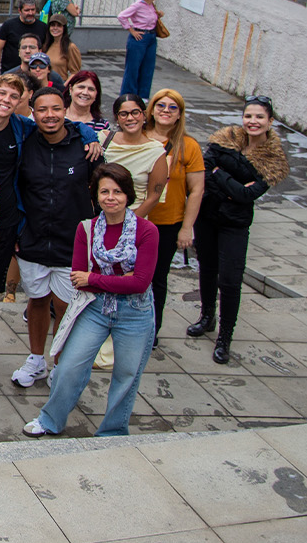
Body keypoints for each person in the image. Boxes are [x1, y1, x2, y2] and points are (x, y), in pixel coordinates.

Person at [23, 163, 159, 438]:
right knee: (69, 366)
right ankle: (50, 420)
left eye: (118, 192)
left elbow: (140, 283)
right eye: (104, 192)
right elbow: (77, 277)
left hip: (135, 312)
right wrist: (119, 278)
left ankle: (113, 431)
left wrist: (94, 278)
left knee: (126, 375)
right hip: (94, 308)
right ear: (95, 195)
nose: (111, 198)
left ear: (128, 195)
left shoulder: (147, 231)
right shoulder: (87, 229)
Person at [11, 88, 99, 389]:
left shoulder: (84, 146)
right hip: (32, 239)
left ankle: (60, 364)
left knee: (65, 306)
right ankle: (36, 360)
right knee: (36, 301)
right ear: (33, 113)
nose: (50, 115)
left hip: (72, 242)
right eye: (43, 109)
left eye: (56, 108)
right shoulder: (25, 143)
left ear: (65, 110)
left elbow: (101, 190)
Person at [188, 97, 288, 363]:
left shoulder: (273, 159)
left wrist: (221, 174)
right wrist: (233, 187)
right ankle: (207, 316)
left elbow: (248, 195)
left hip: (235, 223)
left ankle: (225, 337)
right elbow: (204, 170)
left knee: (230, 280)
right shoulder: (226, 139)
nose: (253, 122)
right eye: (248, 116)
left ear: (270, 121)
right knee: (207, 268)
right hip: (207, 215)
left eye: (259, 117)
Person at [144, 89, 204, 341]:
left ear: (180, 114)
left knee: (157, 278)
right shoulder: (138, 136)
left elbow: (197, 190)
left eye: (172, 107)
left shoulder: (188, 146)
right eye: (161, 105)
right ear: (152, 109)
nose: (166, 111)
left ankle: (151, 330)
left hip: (167, 223)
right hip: (136, 219)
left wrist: (186, 228)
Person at [101, 94, 168, 219]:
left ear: (144, 115)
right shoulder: (103, 140)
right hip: (100, 217)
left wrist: (129, 223)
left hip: (134, 219)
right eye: (123, 114)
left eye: (135, 112)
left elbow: (154, 197)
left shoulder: (155, 151)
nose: (130, 118)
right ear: (117, 118)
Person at [118, 0, 163, 98]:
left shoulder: (151, 5)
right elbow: (121, 16)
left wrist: (158, 15)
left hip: (151, 36)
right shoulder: (138, 5)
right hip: (140, 37)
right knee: (133, 68)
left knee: (148, 67)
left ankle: (143, 95)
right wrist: (131, 30)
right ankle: (129, 94)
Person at [0, 0, 47, 73]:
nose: (30, 13)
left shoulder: (43, 27)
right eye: (27, 10)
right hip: (9, 71)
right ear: (19, 10)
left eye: (33, 10)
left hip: (34, 72)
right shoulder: (8, 25)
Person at [43, 14, 81, 81]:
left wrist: (64, 85)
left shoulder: (70, 47)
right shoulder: (46, 45)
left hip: (60, 83)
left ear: (64, 28)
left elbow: (75, 72)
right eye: (53, 25)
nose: (55, 28)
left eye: (59, 25)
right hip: (46, 83)